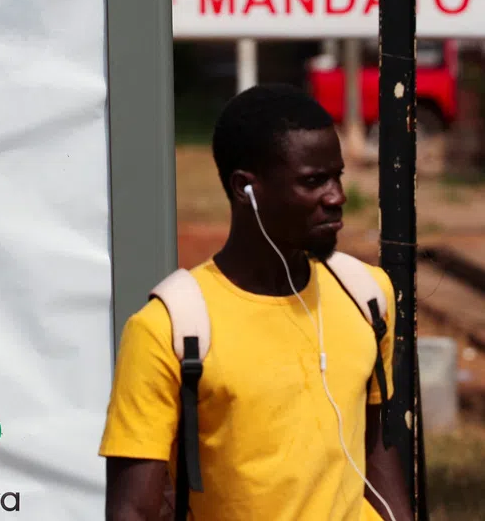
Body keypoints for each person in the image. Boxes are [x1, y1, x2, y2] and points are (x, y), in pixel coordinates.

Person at [100, 84, 409, 521]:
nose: (336, 196)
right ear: (246, 189)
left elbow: (378, 449)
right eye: (313, 180)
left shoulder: (366, 295)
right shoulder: (170, 328)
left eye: (337, 176)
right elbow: (133, 508)